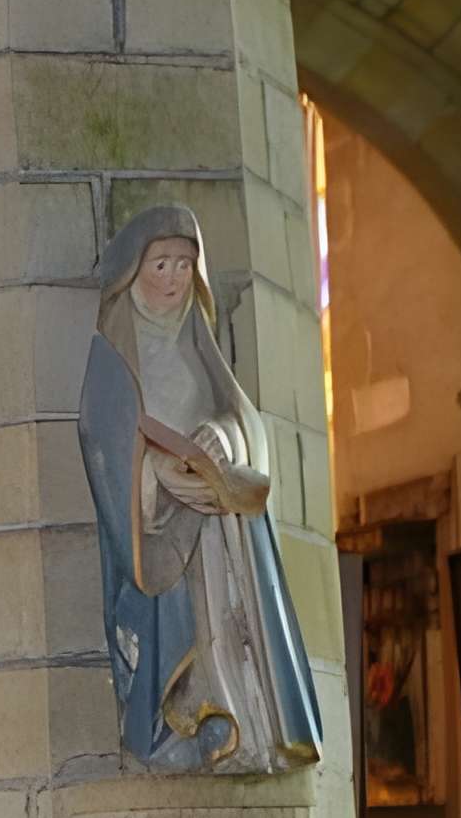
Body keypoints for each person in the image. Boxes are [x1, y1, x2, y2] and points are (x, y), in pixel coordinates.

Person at [76, 204, 323, 775]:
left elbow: (244, 423)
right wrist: (154, 477)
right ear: (132, 273)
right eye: (160, 264)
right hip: (160, 529)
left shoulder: (199, 346)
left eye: (185, 266)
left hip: (216, 529)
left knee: (228, 627)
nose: (172, 279)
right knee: (176, 627)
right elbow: (100, 439)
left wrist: (223, 436)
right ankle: (177, 732)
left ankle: (238, 729)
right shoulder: (112, 359)